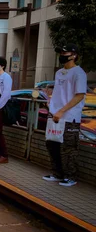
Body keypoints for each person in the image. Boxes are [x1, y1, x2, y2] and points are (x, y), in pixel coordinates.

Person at [43, 44, 87, 187]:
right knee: (51, 144)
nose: (62, 54)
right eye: (60, 52)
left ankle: (70, 176)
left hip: (70, 117)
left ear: (74, 55)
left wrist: (62, 110)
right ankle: (57, 173)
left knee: (69, 148)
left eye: (65, 52)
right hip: (54, 115)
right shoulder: (59, 72)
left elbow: (79, 95)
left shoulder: (79, 73)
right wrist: (52, 104)